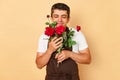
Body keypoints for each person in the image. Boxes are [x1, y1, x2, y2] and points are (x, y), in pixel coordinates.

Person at [36, 3, 91, 80]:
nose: (60, 20)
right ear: (51, 18)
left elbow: (87, 59)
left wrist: (69, 54)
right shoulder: (44, 36)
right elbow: (39, 65)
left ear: (68, 19)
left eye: (63, 16)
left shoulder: (77, 34)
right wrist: (50, 50)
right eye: (56, 16)